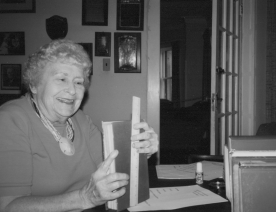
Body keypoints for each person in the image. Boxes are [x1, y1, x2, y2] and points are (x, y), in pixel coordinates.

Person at [0, 39, 159, 212]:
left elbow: (111, 169)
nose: (72, 91)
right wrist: (84, 198)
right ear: (34, 85)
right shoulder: (10, 120)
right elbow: (8, 206)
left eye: (78, 82)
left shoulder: (81, 120)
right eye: (61, 79)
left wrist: (139, 151)